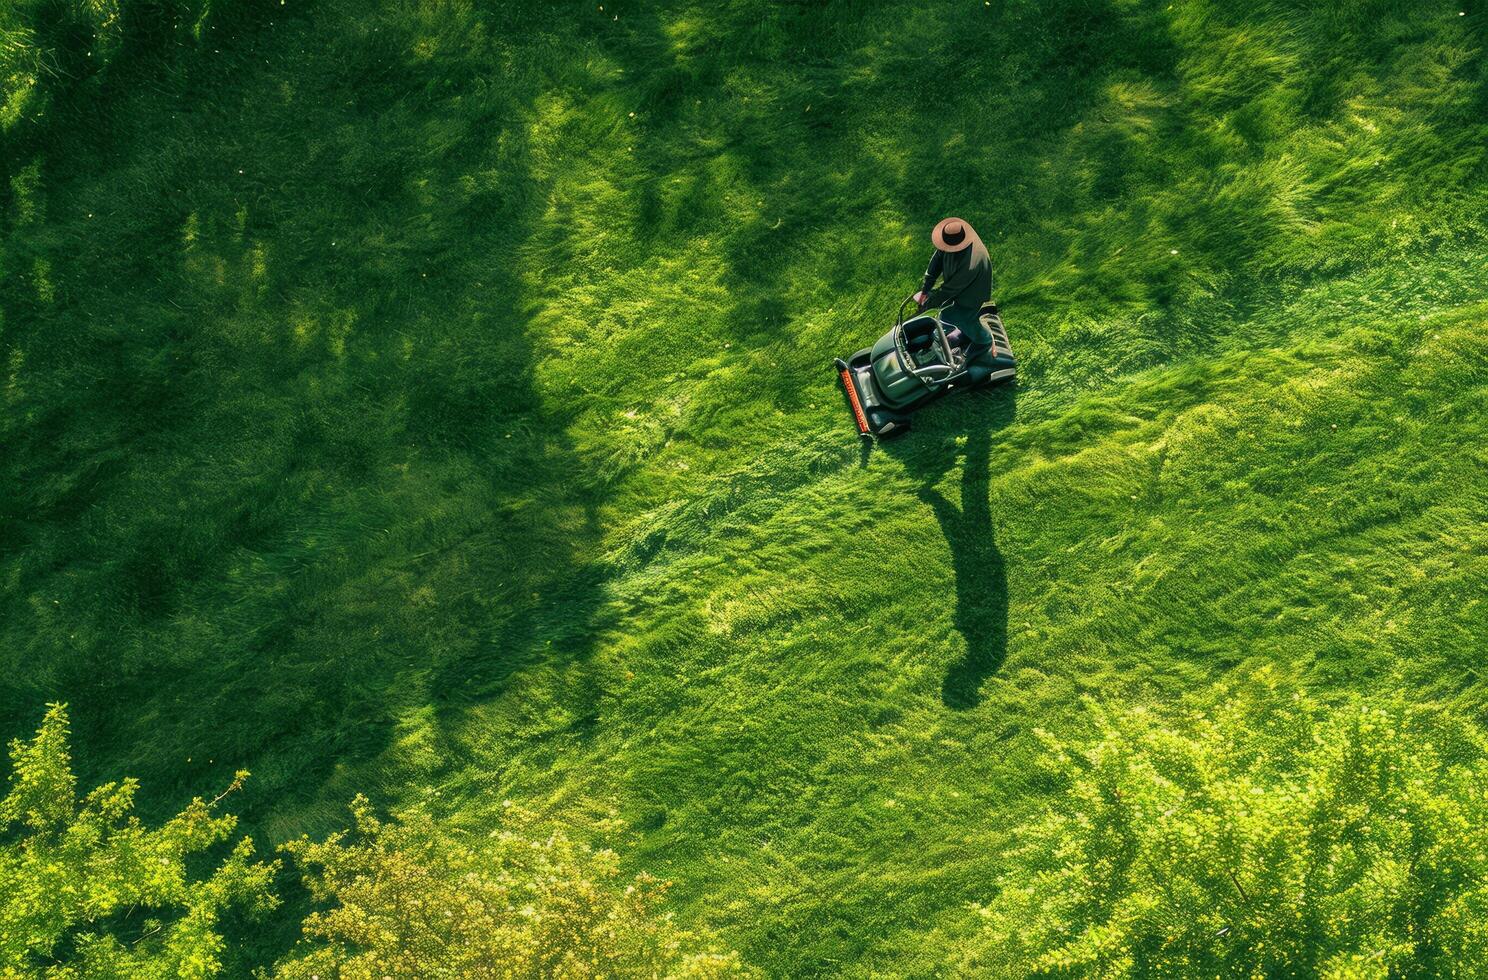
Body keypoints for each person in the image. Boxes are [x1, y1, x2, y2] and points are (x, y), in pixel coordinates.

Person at [913, 216, 994, 361]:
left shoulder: (972, 263)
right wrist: (925, 290)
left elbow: (949, 290)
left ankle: (984, 342)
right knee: (948, 316)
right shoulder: (950, 242)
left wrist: (928, 305)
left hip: (973, 296)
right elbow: (935, 263)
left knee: (958, 316)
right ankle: (966, 334)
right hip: (958, 291)